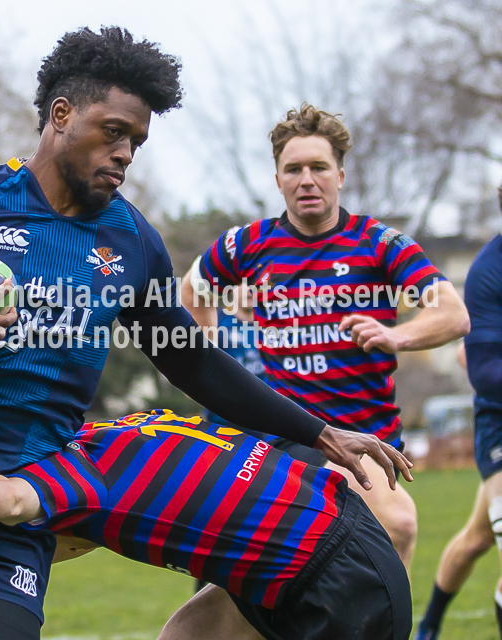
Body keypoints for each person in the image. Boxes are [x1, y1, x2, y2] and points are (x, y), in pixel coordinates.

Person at [0, 32, 403, 640]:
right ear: (61, 116)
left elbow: (193, 363)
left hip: (21, 492)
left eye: (136, 142)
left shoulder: (131, 243)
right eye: (113, 131)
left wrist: (318, 431)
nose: (124, 153)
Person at [172, 103, 469, 640]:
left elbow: (453, 313)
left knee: (396, 524)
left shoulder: (378, 243)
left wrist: (394, 335)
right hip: (284, 439)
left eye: (318, 167)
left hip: (366, 443)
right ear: (278, 179)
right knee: (259, 566)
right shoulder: (248, 245)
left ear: (340, 175)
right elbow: (191, 290)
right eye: (293, 169)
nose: (306, 180)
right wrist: (207, 369)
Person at [0, 409, 413, 640]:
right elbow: (70, 537)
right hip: (317, 527)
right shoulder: (119, 429)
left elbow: (11, 504)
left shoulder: (76, 474)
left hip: (339, 582)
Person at [416, 185, 502, 640]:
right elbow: (482, 368)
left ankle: (428, 624)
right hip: (501, 424)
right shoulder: (489, 269)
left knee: (475, 539)